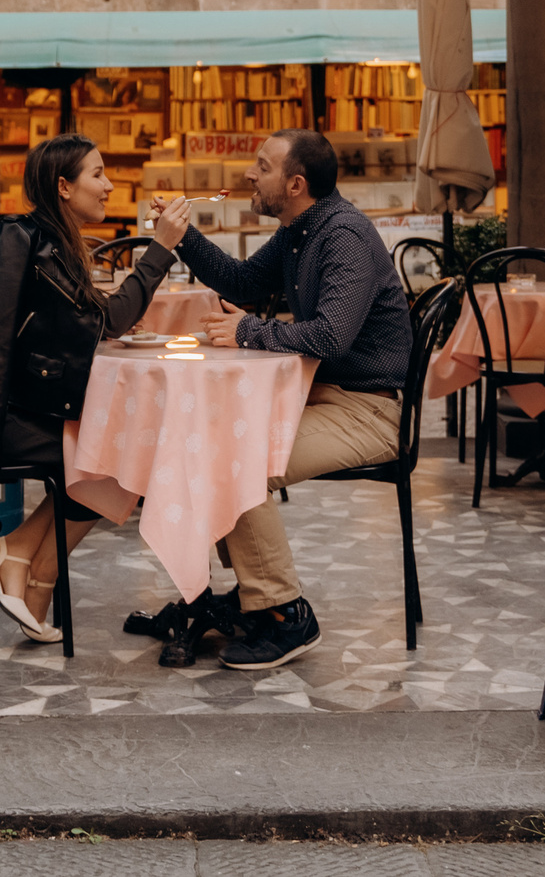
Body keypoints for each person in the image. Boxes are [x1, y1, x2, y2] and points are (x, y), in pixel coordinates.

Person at [146, 128, 412, 669]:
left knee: (233, 458)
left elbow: (330, 337)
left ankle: (286, 614)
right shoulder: (300, 229)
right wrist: (181, 236)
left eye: (262, 166)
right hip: (326, 396)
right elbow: (242, 281)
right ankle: (255, 595)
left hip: (369, 409)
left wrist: (247, 331)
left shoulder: (343, 235)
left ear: (295, 184)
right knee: (211, 441)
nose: (250, 173)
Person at [0, 132, 194, 642]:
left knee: (117, 454)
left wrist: (94, 323)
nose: (109, 185)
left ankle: (29, 572)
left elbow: (104, 320)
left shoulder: (56, 246)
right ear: (64, 187)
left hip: (12, 410)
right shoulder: (16, 237)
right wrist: (160, 248)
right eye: (98, 174)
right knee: (117, 457)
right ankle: (24, 563)